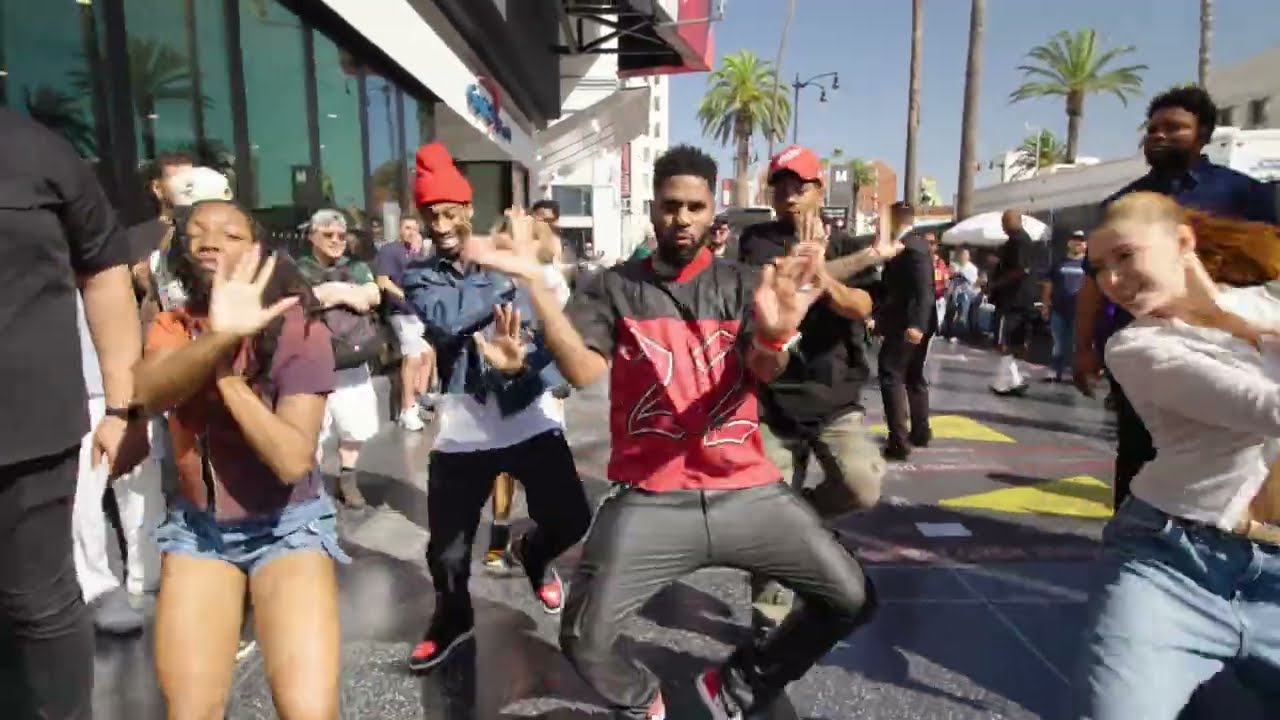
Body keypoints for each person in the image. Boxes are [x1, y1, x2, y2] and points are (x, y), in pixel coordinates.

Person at [467, 144, 877, 720]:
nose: (682, 218)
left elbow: (766, 369)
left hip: (746, 489)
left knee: (853, 597)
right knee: (583, 641)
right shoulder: (612, 287)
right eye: (670, 206)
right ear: (652, 209)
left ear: (714, 213)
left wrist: (775, 337)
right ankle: (641, 700)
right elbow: (584, 371)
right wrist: (538, 285)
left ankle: (740, 682)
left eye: (695, 207)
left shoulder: (743, 284)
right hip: (654, 496)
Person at [133, 199, 346, 718]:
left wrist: (225, 374)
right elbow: (148, 393)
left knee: (308, 712)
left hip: (287, 527)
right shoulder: (174, 326)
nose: (210, 242)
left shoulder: (300, 328)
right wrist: (218, 337)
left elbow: (292, 460)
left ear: (259, 251)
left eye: (229, 234)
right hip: (200, 533)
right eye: (197, 234)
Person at [1074, 191, 1280, 718]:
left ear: (1183, 241)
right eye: (1099, 268)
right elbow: (1265, 407)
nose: (1112, 280)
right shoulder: (1137, 347)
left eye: (1125, 255)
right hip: (1172, 563)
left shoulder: (1266, 303)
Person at [401, 143, 590, 673]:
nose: (439, 224)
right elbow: (448, 318)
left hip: (528, 413)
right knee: (447, 552)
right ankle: (452, 618)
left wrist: (547, 368)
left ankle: (534, 553)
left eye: (448, 212)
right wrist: (515, 268)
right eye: (430, 215)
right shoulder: (422, 275)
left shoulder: (504, 258)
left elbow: (549, 322)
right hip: (464, 429)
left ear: (467, 210)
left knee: (573, 518)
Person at [0, 109, 145, 720]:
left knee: (37, 601)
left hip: (25, 434)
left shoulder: (36, 153)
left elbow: (106, 272)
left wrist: (122, 405)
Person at [1073, 85, 1279, 507]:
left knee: (1241, 448)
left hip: (1229, 344)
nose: (1159, 136)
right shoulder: (1120, 204)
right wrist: (1082, 346)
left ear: (1203, 134)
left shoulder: (1244, 194)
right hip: (1149, 343)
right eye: (1152, 129)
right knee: (1137, 448)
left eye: (1174, 128)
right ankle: (1137, 530)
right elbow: (1092, 281)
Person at [737, 144, 895, 628]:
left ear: (819, 189)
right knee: (770, 508)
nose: (789, 194)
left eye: (799, 185)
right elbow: (778, 282)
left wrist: (828, 270)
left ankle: (801, 523)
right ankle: (769, 617)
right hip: (774, 397)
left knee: (861, 485)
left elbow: (862, 307)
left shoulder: (847, 244)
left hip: (835, 396)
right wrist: (823, 265)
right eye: (780, 184)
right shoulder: (757, 240)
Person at [483, 217, 573, 574]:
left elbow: (559, 334)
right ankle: (499, 540)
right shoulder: (489, 279)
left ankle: (536, 541)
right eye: (506, 233)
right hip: (500, 381)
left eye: (526, 237)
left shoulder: (549, 280)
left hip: (539, 384)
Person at [297, 209, 383, 509]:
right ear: (312, 236)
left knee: (354, 428)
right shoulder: (298, 269)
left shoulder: (357, 266)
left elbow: (372, 297)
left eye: (341, 236)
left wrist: (331, 292)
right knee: (313, 430)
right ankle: (314, 484)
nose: (336, 241)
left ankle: (348, 479)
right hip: (310, 364)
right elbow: (298, 300)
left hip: (352, 363)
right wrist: (345, 293)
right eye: (328, 235)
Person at [876, 202, 938, 460]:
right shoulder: (912, 244)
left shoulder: (913, 247)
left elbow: (924, 289)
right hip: (909, 322)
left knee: (891, 375)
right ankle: (920, 431)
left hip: (908, 324)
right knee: (913, 376)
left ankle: (899, 441)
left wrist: (917, 324)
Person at [375, 214, 434, 432]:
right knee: (414, 358)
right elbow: (383, 281)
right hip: (399, 312)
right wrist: (404, 297)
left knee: (428, 355)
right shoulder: (390, 251)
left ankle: (416, 400)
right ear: (400, 229)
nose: (411, 232)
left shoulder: (416, 253)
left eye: (415, 229)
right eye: (407, 228)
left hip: (416, 313)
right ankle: (407, 410)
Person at [988, 209, 1039, 396]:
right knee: (1010, 341)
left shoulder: (1019, 241)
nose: (1003, 224)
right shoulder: (1015, 242)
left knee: (1004, 341)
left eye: (1006, 221)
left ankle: (1004, 382)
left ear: (1018, 220)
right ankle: (1012, 380)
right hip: (1016, 299)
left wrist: (996, 283)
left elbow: (1020, 269)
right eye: (1003, 221)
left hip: (1013, 300)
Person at [1040, 231, 1088, 382]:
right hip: (1058, 309)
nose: (1077, 243)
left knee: (1076, 344)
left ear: (1086, 245)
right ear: (1069, 243)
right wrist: (1045, 306)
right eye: (1074, 240)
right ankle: (1055, 371)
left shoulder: (1090, 265)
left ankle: (1074, 373)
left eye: (1081, 241)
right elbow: (1048, 285)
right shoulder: (1058, 263)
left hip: (1080, 312)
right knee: (1058, 343)